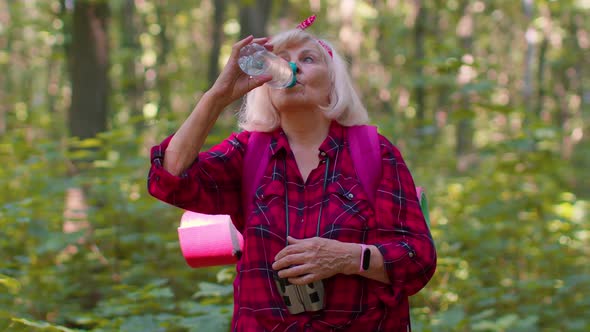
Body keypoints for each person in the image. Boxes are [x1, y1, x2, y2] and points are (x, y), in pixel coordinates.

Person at [148, 15, 436, 332]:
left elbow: (417, 259)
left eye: (307, 58)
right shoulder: (247, 154)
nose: (292, 67)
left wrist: (348, 257)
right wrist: (217, 96)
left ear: (333, 82)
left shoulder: (374, 152)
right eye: (282, 61)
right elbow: (170, 178)